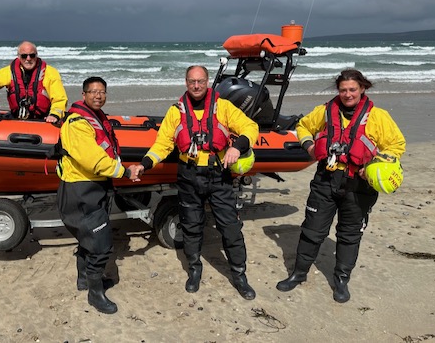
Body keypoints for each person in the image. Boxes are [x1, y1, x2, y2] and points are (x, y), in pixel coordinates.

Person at [276, 69, 406, 303]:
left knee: (349, 235)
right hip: (326, 180)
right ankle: (298, 273)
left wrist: (375, 166)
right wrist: (309, 148)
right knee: (312, 231)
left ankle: (341, 280)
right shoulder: (325, 111)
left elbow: (396, 146)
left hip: (360, 186)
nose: (347, 94)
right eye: (343, 90)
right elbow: (304, 127)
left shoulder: (379, 117)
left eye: (352, 89)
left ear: (362, 89)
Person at [136, 65, 260, 299]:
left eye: (200, 81)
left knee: (230, 227)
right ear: (186, 82)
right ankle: (194, 270)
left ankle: (239, 274)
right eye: (192, 81)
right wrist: (144, 163)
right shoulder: (176, 112)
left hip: (218, 175)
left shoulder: (223, 107)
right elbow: (162, 145)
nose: (196, 86)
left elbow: (250, 127)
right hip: (189, 175)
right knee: (191, 227)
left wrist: (236, 147)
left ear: (207, 82)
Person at [56, 76, 142, 314]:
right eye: (93, 91)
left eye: (102, 92)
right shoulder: (77, 123)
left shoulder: (95, 118)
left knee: (88, 237)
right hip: (81, 189)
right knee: (101, 245)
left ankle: (84, 279)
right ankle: (95, 294)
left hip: (94, 187)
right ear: (83, 95)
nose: (98, 95)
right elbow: (93, 159)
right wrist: (124, 172)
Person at [0, 41, 67, 123]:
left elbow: (60, 99)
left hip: (42, 120)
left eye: (32, 55)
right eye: (24, 56)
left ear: (36, 55)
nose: (28, 59)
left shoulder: (50, 73)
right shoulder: (9, 72)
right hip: (16, 118)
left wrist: (54, 115)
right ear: (19, 56)